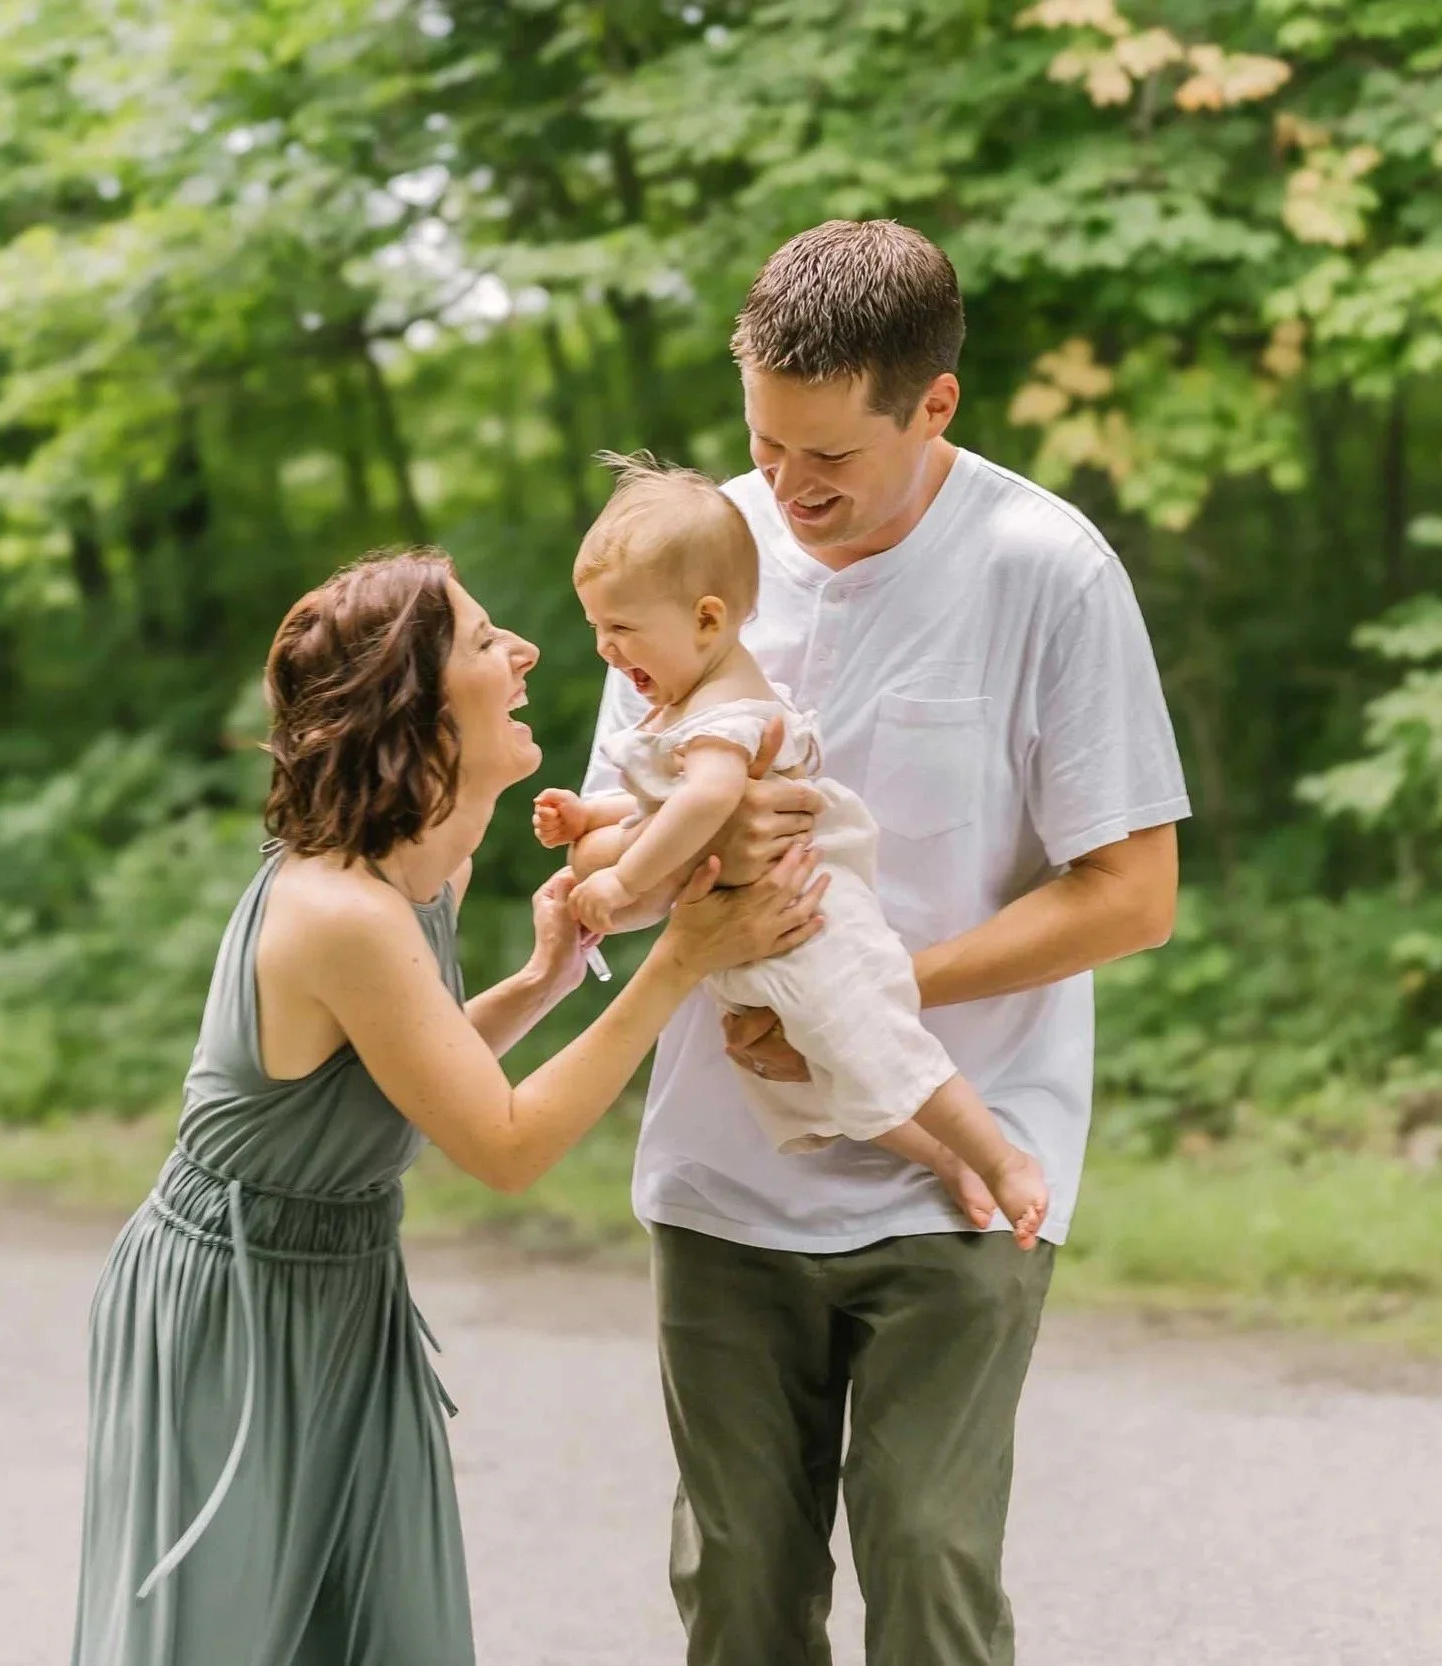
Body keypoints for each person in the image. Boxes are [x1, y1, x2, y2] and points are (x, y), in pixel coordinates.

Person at [577, 221, 1187, 1665]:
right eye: (766, 447)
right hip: (725, 1175)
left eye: (828, 462)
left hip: (960, 1175)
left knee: (926, 1559)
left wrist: (871, 995)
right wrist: (633, 865)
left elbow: (1133, 892)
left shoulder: (1049, 570)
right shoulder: (698, 549)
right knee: (738, 1591)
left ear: (936, 406)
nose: (786, 492)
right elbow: (624, 830)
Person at [68, 550, 827, 1666]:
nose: (523, 653)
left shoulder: (423, 877)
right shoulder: (341, 911)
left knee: (378, 1630)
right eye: (483, 641)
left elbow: (399, 1080)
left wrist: (540, 983)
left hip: (344, 1278)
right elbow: (505, 1144)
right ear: (413, 708)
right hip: (230, 1298)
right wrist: (674, 964)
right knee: (230, 1635)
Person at [532, 454, 1048, 1245]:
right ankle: (941, 1157)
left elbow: (703, 800)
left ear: (708, 619)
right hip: (752, 941)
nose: (605, 649)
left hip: (809, 920)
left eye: (622, 629)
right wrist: (587, 813)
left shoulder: (729, 709)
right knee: (820, 1086)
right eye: (597, 628)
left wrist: (627, 873)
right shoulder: (675, 706)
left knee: (871, 1042)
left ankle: (998, 1156)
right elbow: (659, 800)